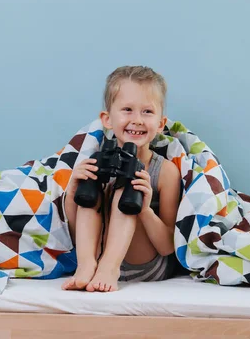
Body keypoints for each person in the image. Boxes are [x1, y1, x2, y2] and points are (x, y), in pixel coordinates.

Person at [62, 66, 181, 292]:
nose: (136, 120)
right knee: (92, 186)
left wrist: (144, 210)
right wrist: (73, 191)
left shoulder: (165, 172)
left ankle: (110, 266)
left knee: (126, 186)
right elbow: (73, 231)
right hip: (96, 261)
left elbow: (168, 246)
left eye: (147, 112)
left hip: (146, 264)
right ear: (107, 119)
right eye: (127, 109)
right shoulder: (96, 161)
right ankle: (87, 264)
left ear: (160, 124)